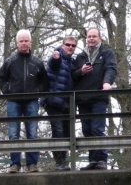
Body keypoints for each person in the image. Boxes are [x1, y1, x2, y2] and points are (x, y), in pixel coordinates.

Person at [0, 29, 49, 173]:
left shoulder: (37, 62)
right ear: (17, 43)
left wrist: (38, 91)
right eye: (21, 41)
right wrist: (8, 90)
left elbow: (44, 82)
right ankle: (15, 164)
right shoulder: (10, 61)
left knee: (33, 133)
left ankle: (32, 164)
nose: (24, 43)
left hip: (31, 101)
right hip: (14, 101)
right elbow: (0, 79)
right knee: (13, 133)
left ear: (30, 42)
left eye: (26, 41)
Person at [73, 26, 118, 169]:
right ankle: (92, 160)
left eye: (94, 36)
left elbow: (111, 68)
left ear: (100, 38)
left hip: (98, 97)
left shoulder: (106, 53)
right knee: (87, 130)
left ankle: (102, 160)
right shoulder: (80, 57)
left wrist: (107, 82)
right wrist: (81, 71)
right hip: (83, 98)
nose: (91, 39)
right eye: (89, 37)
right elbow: (72, 75)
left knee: (97, 129)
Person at [44, 32, 85, 171]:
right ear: (63, 45)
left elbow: (73, 76)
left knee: (67, 133)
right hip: (54, 101)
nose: (70, 47)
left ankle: (64, 161)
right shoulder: (58, 55)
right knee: (58, 131)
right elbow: (53, 64)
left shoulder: (71, 61)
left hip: (67, 103)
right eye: (68, 45)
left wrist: (81, 71)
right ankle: (59, 162)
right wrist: (55, 58)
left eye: (73, 46)